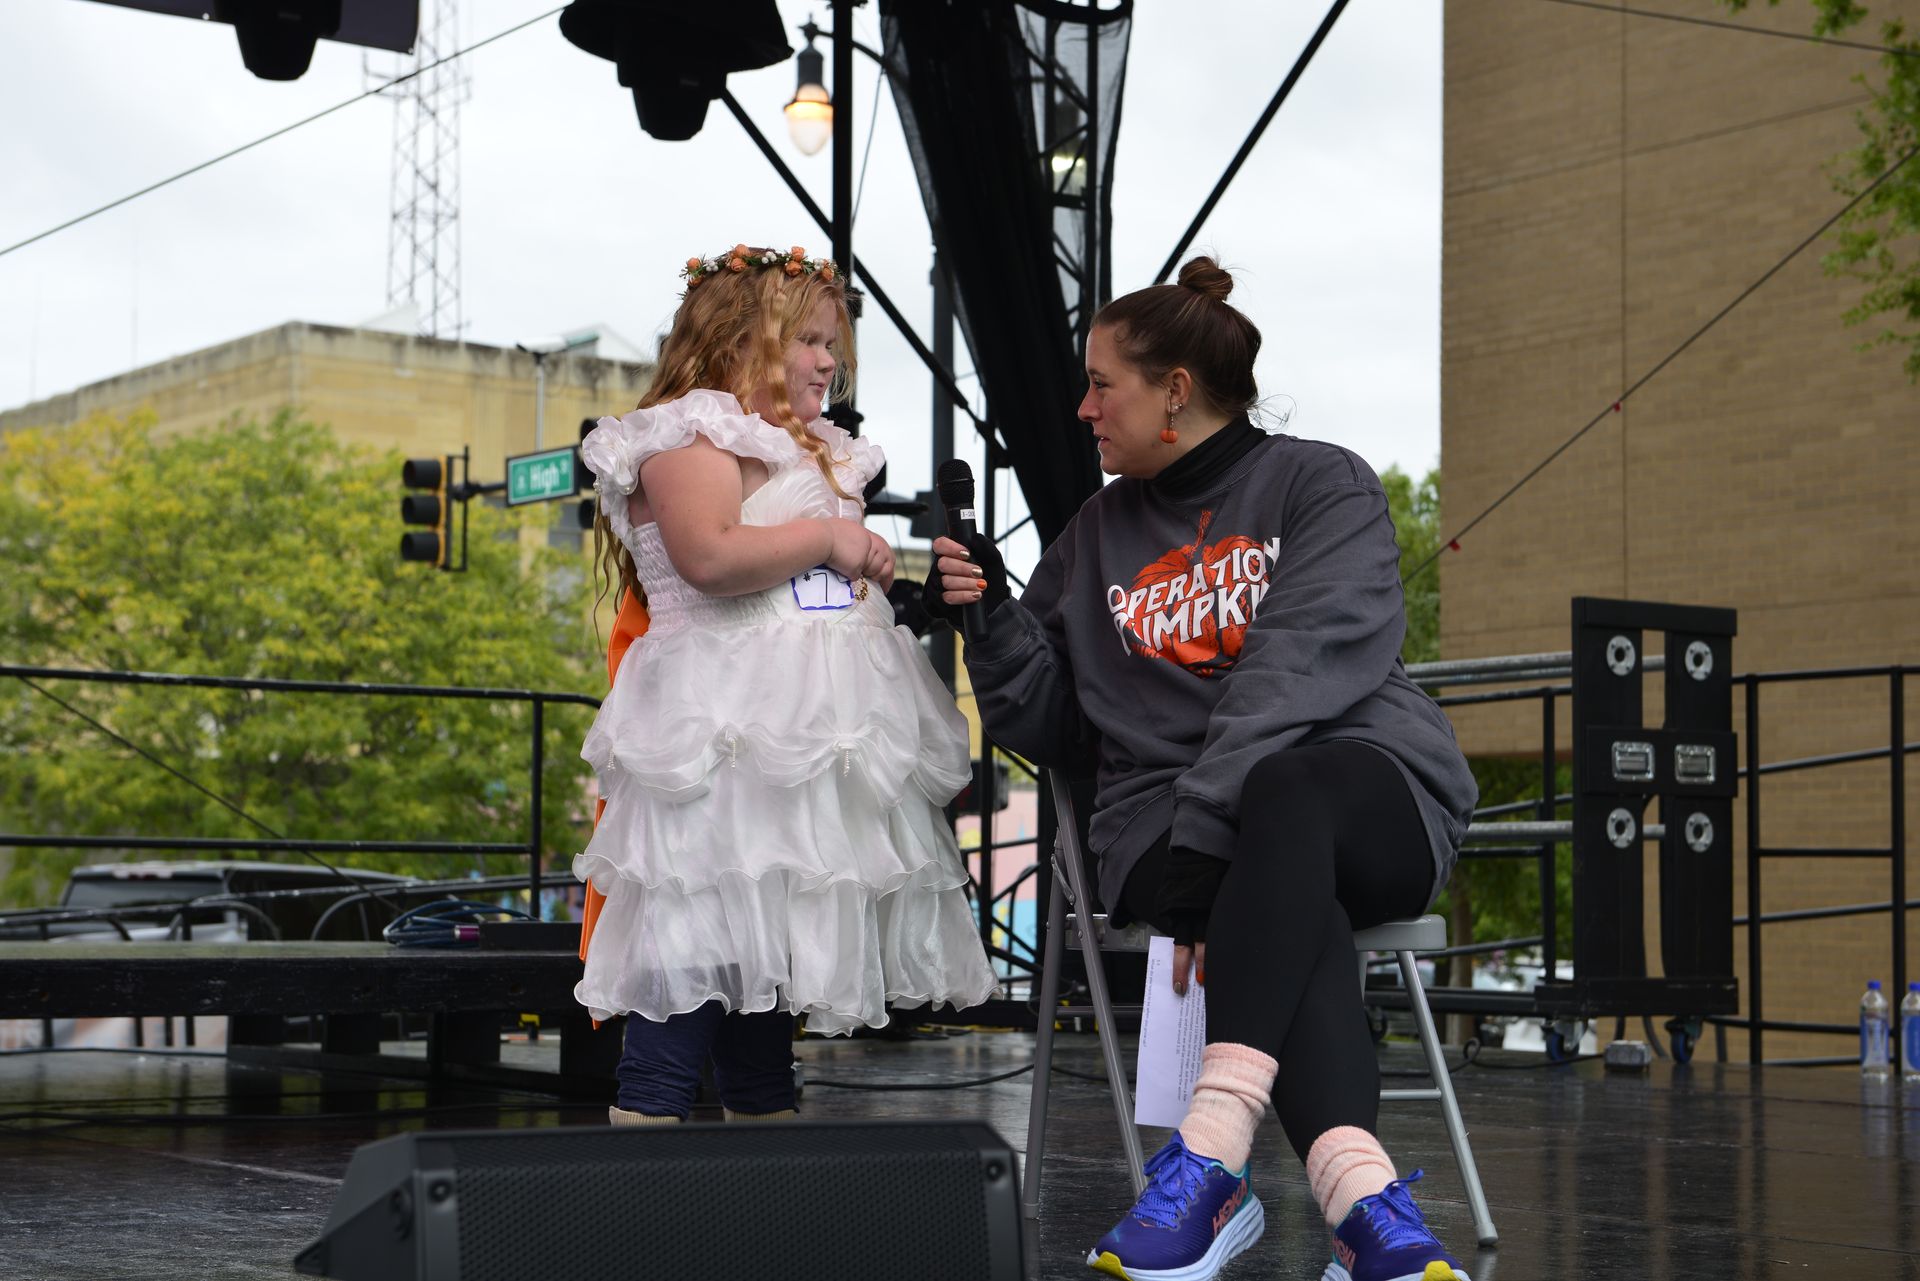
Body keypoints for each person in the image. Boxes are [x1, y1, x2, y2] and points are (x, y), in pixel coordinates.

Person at [926, 257, 1478, 1281]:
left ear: (1174, 391)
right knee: (1288, 886)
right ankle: (1368, 1212)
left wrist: (1207, 835)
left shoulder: (1321, 483)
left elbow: (1295, 670)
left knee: (1287, 791)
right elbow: (1046, 721)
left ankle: (1209, 1159)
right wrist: (988, 618)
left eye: (1103, 384)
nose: (1082, 407)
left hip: (1358, 794)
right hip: (1170, 831)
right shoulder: (1094, 536)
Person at [575, 243, 996, 1126]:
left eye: (831, 343)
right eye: (806, 339)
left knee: (760, 959)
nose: (826, 360)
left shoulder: (813, 449)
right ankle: (639, 1145)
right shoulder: (688, 432)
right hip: (723, 726)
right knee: (697, 938)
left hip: (799, 736)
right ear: (739, 338)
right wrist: (829, 541)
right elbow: (711, 555)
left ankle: (764, 1150)